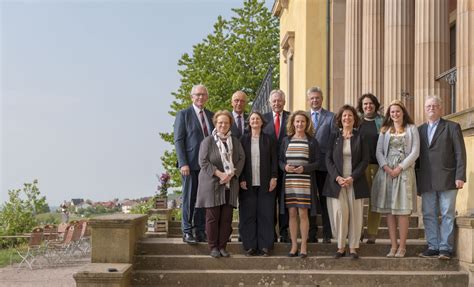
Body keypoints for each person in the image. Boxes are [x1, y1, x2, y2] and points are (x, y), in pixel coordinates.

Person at [417, 95, 466, 260]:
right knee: (428, 213)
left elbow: (460, 153)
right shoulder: (419, 130)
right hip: (426, 179)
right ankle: (433, 246)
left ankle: (445, 247)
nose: (431, 108)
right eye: (428, 106)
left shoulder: (452, 127)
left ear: (440, 108)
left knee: (447, 213)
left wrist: (460, 176)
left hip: (448, 178)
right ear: (425, 110)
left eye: (434, 106)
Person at [371, 100, 419, 258]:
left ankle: (403, 247)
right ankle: (393, 246)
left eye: (397, 111)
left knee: (402, 211)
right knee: (389, 212)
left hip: (403, 172)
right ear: (389, 114)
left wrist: (400, 168)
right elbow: (378, 151)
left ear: (403, 112)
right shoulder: (385, 130)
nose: (395, 114)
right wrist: (386, 167)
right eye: (392, 112)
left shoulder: (411, 129)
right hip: (386, 172)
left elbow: (415, 152)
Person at [195, 110, 245, 258]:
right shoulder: (208, 141)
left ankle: (223, 246)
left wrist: (232, 174)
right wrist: (220, 174)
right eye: (220, 122)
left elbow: (242, 159)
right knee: (212, 218)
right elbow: (203, 161)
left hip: (230, 184)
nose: (223, 125)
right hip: (212, 184)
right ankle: (213, 247)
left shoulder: (235, 141)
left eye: (226, 123)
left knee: (226, 218)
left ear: (230, 124)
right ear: (215, 124)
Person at [324, 105, 369, 259]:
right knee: (340, 213)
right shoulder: (333, 137)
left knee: (355, 214)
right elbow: (328, 159)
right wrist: (337, 177)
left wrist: (352, 177)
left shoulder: (360, 137)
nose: (347, 118)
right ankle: (340, 246)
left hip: (355, 181)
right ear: (340, 119)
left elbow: (365, 160)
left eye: (350, 116)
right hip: (337, 182)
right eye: (344, 116)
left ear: (354, 119)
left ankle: (353, 248)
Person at [174, 84, 215, 244]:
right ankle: (187, 231)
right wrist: (183, 163)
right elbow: (178, 140)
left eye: (203, 95)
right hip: (190, 165)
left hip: (207, 165)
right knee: (189, 198)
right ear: (192, 97)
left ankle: (199, 230)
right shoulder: (183, 115)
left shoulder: (211, 116)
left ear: (207, 97)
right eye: (197, 95)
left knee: (202, 200)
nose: (200, 97)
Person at [279, 111, 319, 258]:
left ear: (306, 123)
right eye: (297, 121)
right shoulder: (286, 140)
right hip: (289, 181)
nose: (299, 124)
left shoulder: (312, 141)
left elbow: (317, 162)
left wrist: (305, 168)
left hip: (304, 182)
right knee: (292, 213)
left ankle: (303, 245)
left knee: (303, 213)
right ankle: (294, 245)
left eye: (302, 121)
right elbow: (280, 160)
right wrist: (285, 167)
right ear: (293, 123)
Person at [239, 111, 278, 256]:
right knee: (248, 214)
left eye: (257, 119)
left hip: (266, 182)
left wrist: (274, 177)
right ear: (249, 122)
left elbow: (274, 160)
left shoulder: (269, 140)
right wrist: (241, 178)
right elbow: (239, 161)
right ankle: (250, 245)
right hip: (247, 183)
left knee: (266, 213)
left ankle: (265, 246)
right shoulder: (243, 140)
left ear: (262, 122)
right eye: (252, 119)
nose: (255, 121)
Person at [307, 86, 334, 244]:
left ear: (321, 99)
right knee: (309, 200)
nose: (315, 100)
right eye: (312, 98)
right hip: (308, 166)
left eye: (317, 98)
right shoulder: (303, 117)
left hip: (324, 166)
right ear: (308, 100)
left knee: (325, 200)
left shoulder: (331, 117)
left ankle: (327, 233)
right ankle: (311, 233)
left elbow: (332, 141)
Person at [263, 89, 291, 243]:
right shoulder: (263, 119)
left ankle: (284, 231)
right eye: (274, 101)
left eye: (279, 100)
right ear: (269, 103)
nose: (277, 103)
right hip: (268, 168)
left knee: (285, 200)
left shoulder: (291, 118)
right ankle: (271, 232)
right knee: (270, 201)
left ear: (284, 102)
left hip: (287, 167)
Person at [356, 93, 384, 244]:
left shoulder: (383, 122)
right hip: (361, 166)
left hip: (378, 165)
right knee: (359, 199)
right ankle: (358, 230)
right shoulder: (357, 122)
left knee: (376, 200)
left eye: (371, 103)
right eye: (365, 104)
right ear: (361, 106)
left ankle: (372, 233)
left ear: (375, 105)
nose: (368, 106)